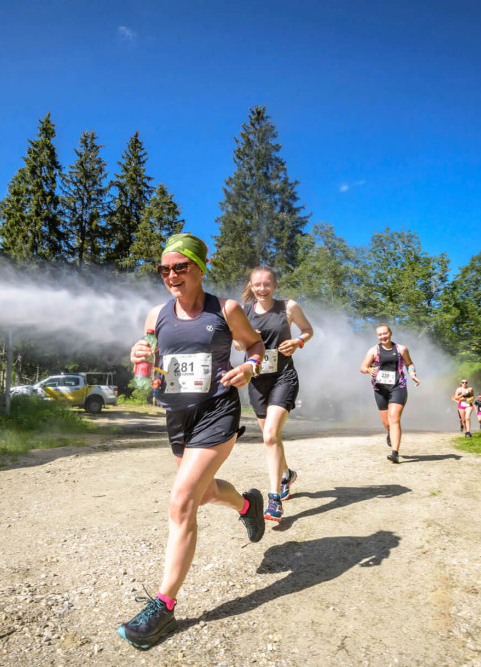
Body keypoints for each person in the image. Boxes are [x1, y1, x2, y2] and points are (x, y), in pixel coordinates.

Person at [119, 233, 266, 650]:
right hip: (177, 416)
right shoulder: (156, 314)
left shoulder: (227, 309)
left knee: (181, 500)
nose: (171, 276)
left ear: (201, 267)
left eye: (179, 267)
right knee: (200, 495)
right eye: (164, 269)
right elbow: (146, 370)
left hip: (218, 410)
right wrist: (138, 359)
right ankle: (246, 504)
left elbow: (256, 347)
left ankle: (163, 605)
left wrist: (250, 367)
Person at [239, 265, 314, 522]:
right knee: (272, 438)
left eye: (267, 284)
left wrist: (298, 342)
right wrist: (249, 338)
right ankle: (287, 475)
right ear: (251, 285)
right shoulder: (244, 311)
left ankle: (274, 501)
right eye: (257, 284)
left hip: (284, 377)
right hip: (257, 380)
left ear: (275, 285)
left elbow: (308, 330)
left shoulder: (288, 307)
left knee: (270, 436)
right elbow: (237, 343)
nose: (262, 289)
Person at [359, 324, 420, 463]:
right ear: (377, 336)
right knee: (386, 423)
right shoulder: (373, 350)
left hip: (398, 386)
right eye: (380, 335)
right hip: (380, 389)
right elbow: (363, 367)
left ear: (390, 333)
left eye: (385, 333)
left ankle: (395, 452)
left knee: (394, 419)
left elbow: (409, 363)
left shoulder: (401, 349)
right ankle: (389, 433)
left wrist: (413, 374)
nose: (383, 336)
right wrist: (369, 370)